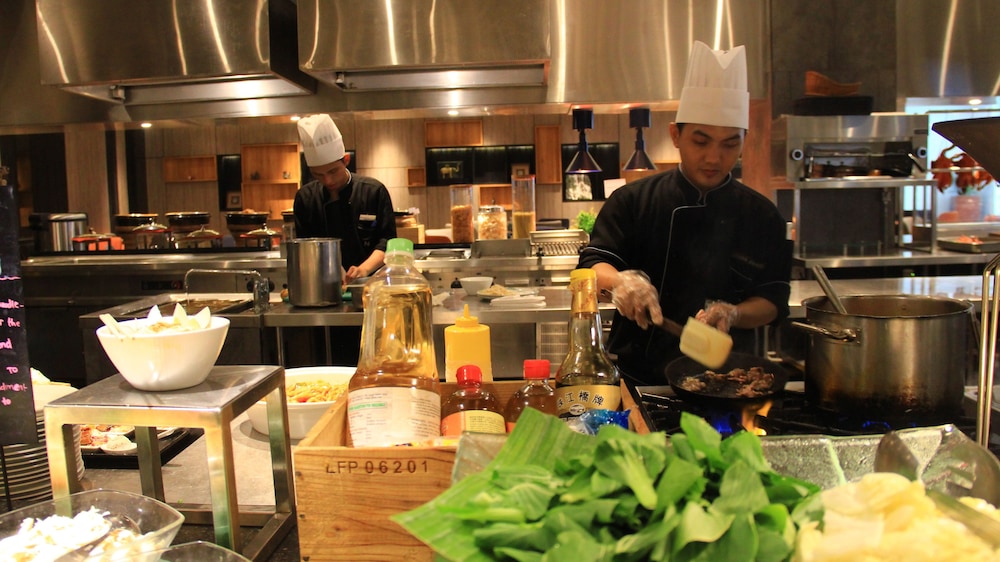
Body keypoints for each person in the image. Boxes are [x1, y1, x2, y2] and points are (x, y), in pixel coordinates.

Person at [577, 41, 791, 386]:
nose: (714, 158)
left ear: (744, 140)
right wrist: (621, 283)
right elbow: (592, 266)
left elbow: (773, 301)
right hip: (639, 379)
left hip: (731, 383)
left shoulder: (763, 216)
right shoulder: (632, 201)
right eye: (701, 141)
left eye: (730, 144)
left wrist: (734, 313)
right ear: (676, 135)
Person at [294, 113, 396, 284]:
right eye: (318, 175)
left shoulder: (373, 191)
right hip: (322, 284)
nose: (328, 180)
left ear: (346, 160)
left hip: (373, 282)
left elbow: (387, 242)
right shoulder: (305, 198)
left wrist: (363, 269)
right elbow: (305, 248)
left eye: (333, 171)